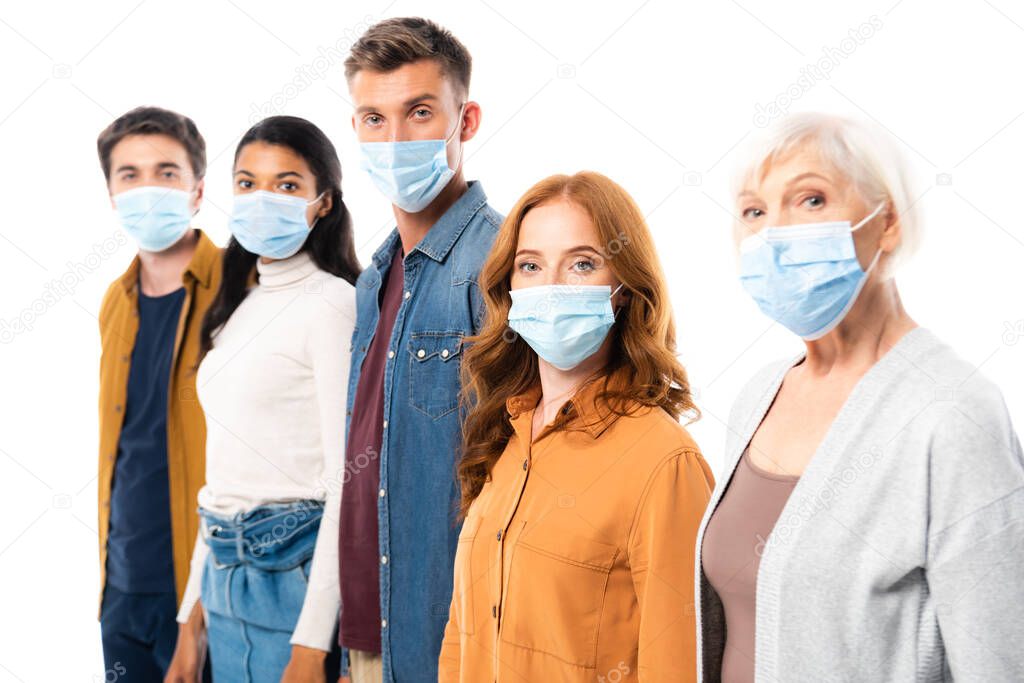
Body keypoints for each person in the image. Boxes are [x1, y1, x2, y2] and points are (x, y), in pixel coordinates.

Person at [696, 112, 1024, 681]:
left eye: (811, 200)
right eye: (754, 211)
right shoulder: (759, 394)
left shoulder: (952, 413)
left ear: (888, 221)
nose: (775, 232)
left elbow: (999, 661)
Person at [439, 171, 715, 682]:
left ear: (625, 290)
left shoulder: (664, 462)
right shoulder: (504, 435)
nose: (551, 287)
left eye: (582, 263)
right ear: (508, 285)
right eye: (531, 265)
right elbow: (464, 634)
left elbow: (677, 663)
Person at [336, 18, 504, 683]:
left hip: (453, 640)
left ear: (466, 120)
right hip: (373, 635)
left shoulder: (500, 262)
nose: (396, 139)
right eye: (374, 119)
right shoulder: (376, 276)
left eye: (420, 112)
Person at [165, 116, 359, 683]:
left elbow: (346, 484)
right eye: (247, 183)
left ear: (323, 203)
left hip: (292, 580)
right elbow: (222, 475)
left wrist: (311, 645)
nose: (262, 199)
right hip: (222, 580)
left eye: (288, 184)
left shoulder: (331, 305)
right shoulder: (235, 308)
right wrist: (189, 622)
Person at [96, 106, 220, 682]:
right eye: (130, 174)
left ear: (197, 189)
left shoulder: (244, 287)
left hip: (216, 584)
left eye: (166, 172)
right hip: (123, 584)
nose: (148, 188)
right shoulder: (115, 301)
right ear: (112, 193)